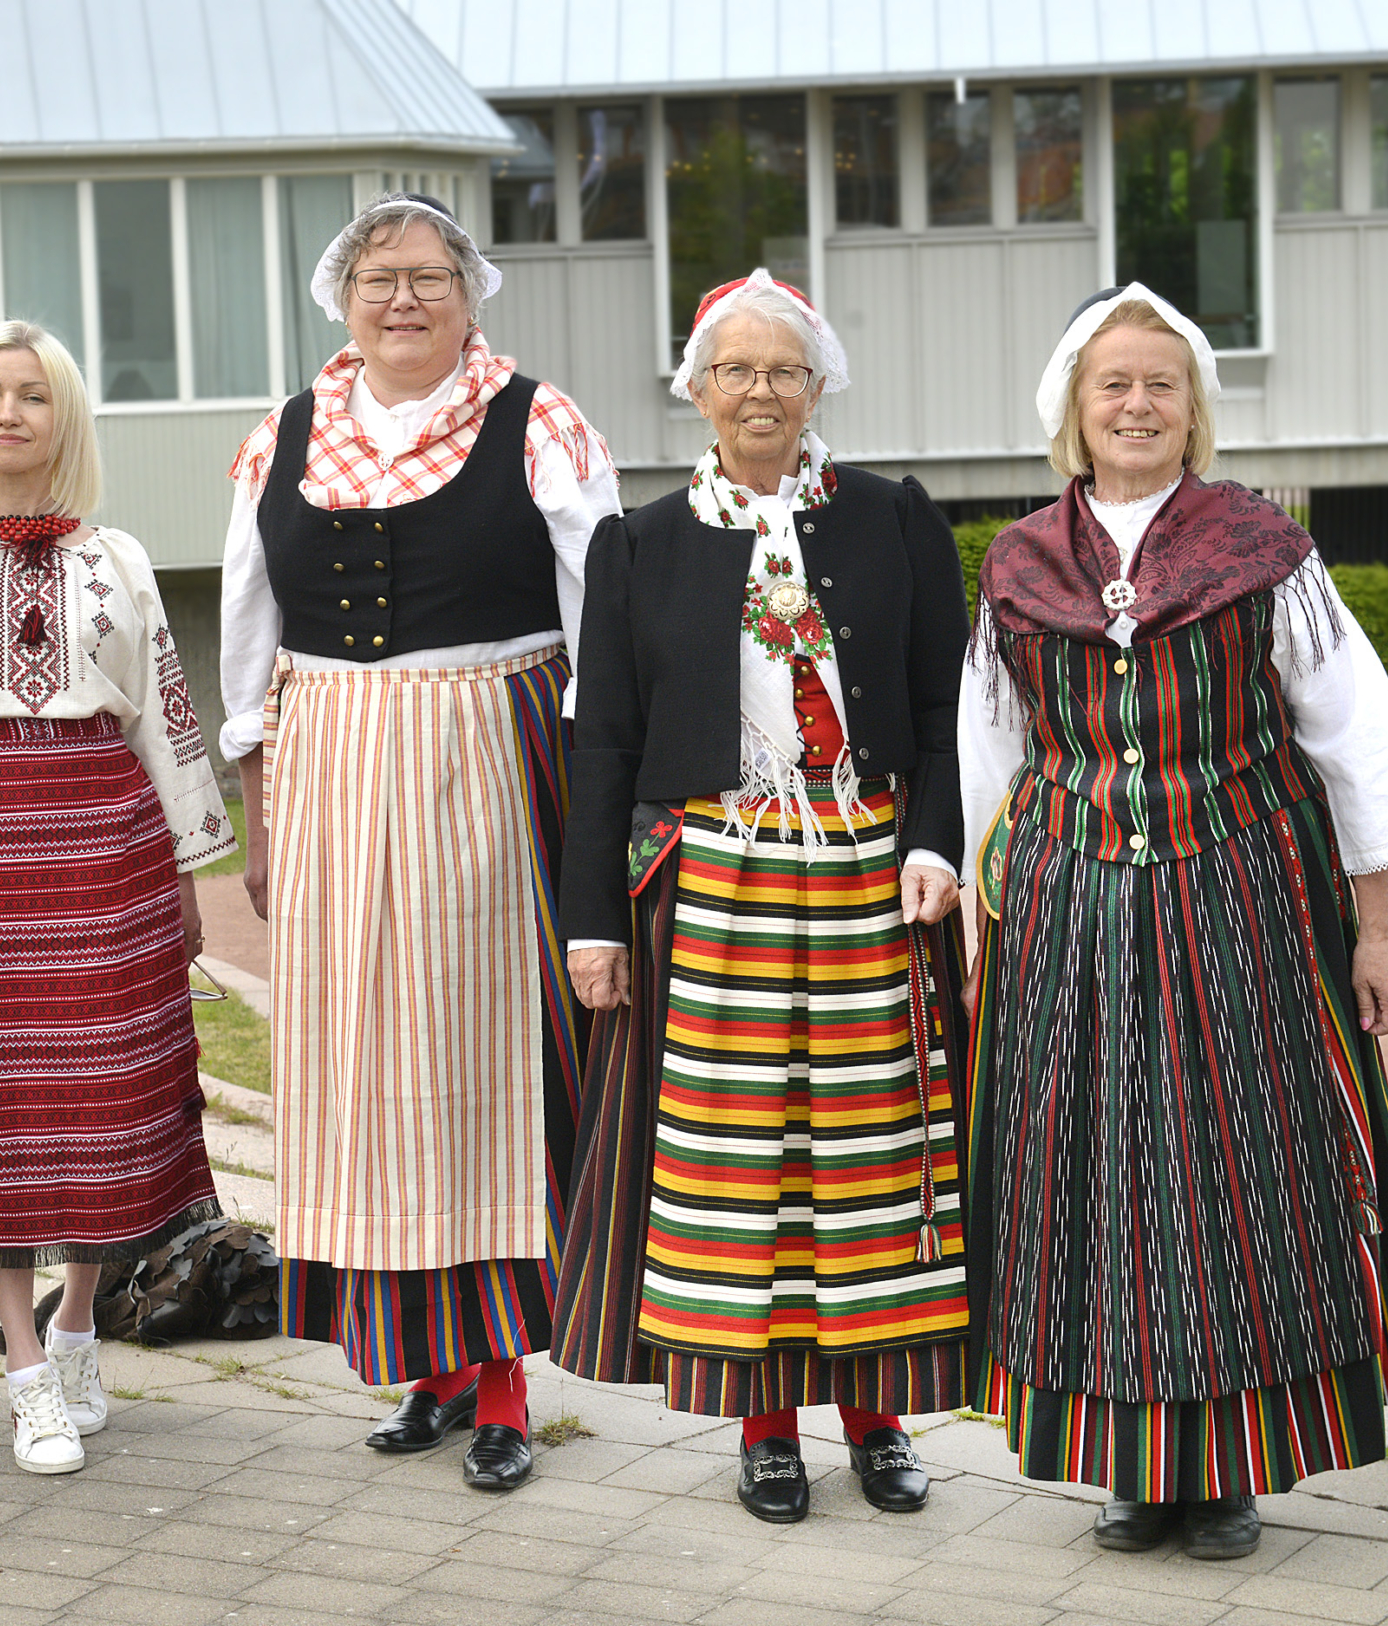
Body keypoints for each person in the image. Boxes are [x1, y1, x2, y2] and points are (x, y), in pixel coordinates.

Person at [961, 284, 1388, 1560]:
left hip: (1245, 900)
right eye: (1112, 384)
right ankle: (1126, 1466)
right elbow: (989, 760)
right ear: (1074, 406)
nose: (1135, 404)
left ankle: (1226, 1469)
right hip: (1070, 911)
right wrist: (974, 915)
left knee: (1243, 1177)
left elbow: (1357, 746)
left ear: (1194, 411)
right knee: (1094, 1182)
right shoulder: (1016, 566)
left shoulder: (1259, 548)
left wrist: (1376, 930)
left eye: (1159, 385)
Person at [556, 270, 974, 1524]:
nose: (758, 391)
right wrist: (588, 919)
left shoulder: (894, 520)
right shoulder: (638, 543)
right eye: (733, 370)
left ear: (817, 384)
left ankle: (880, 1419)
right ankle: (763, 1430)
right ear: (694, 389)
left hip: (868, 872)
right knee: (741, 1170)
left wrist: (938, 843)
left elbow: (950, 710)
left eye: (783, 369)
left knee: (869, 1158)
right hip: (718, 880)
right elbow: (603, 743)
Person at [218, 193, 618, 1491]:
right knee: (360, 1065)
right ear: (343, 294)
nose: (403, 299)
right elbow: (246, 628)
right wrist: (260, 805)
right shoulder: (282, 434)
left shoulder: (540, 421)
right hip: (331, 752)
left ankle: (504, 1377)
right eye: (379, 277)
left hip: (485, 748)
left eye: (428, 276)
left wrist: (592, 782)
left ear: (470, 291)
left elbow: (597, 614)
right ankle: (427, 1364)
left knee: (478, 1055)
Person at [0, 321, 233, 1476]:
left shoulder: (119, 558)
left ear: (64, 417)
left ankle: (77, 1328)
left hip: (106, 837)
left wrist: (182, 865)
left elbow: (164, 711)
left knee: (105, 1092)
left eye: (32, 396)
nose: (9, 414)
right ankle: (22, 1371)